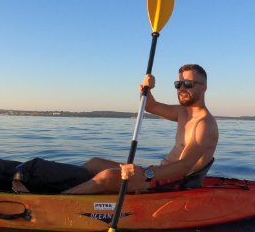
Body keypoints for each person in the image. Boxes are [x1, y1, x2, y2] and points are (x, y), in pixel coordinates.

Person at [62, 64, 219, 194]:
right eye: (178, 84)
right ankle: (63, 188)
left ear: (204, 87)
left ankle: (58, 201)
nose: (182, 88)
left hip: (173, 182)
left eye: (189, 84)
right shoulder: (182, 112)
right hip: (157, 174)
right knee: (94, 163)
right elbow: (150, 106)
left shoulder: (204, 124)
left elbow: (184, 166)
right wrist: (147, 89)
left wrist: (145, 174)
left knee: (107, 176)